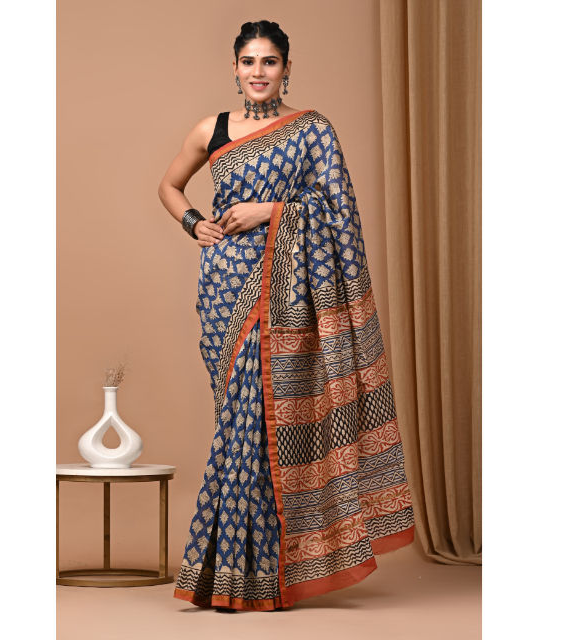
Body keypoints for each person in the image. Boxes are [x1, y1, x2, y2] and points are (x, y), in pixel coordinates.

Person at [157, 20, 415, 612]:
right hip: (224, 289)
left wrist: (270, 209)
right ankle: (237, 570)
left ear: (286, 68)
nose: (258, 72)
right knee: (236, 420)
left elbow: (339, 209)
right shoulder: (211, 129)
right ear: (234, 68)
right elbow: (170, 186)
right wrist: (195, 224)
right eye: (248, 61)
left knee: (263, 417)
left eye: (269, 62)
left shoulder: (312, 130)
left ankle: (258, 574)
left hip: (289, 289)